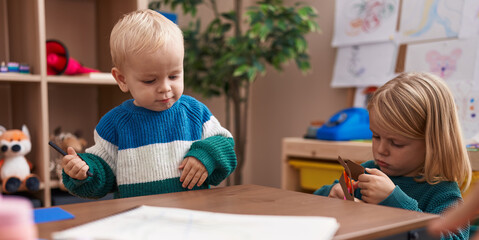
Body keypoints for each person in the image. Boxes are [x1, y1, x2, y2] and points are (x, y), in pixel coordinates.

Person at [61, 9, 237, 199]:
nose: (165, 88)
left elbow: (225, 145)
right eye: (150, 81)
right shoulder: (113, 124)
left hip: (189, 218)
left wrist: (206, 157)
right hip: (137, 221)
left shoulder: (194, 112)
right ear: (122, 79)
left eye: (174, 76)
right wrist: (83, 171)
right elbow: (102, 178)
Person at [314, 72, 472, 239]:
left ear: (432, 143)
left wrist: (396, 201)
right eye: (375, 136)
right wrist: (332, 194)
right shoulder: (367, 172)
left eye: (397, 143)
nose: (381, 150)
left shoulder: (442, 192)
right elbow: (313, 201)